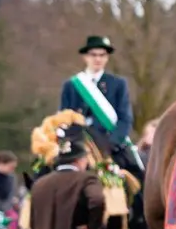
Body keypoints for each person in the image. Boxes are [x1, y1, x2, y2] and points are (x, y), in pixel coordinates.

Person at [59, 35, 139, 170]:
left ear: (107, 58)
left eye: (102, 55)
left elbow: (125, 119)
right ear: (85, 57)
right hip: (77, 143)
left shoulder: (118, 84)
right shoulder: (71, 85)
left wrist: (111, 143)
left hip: (110, 144)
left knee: (138, 175)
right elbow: (62, 117)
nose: (98, 59)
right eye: (93, 55)